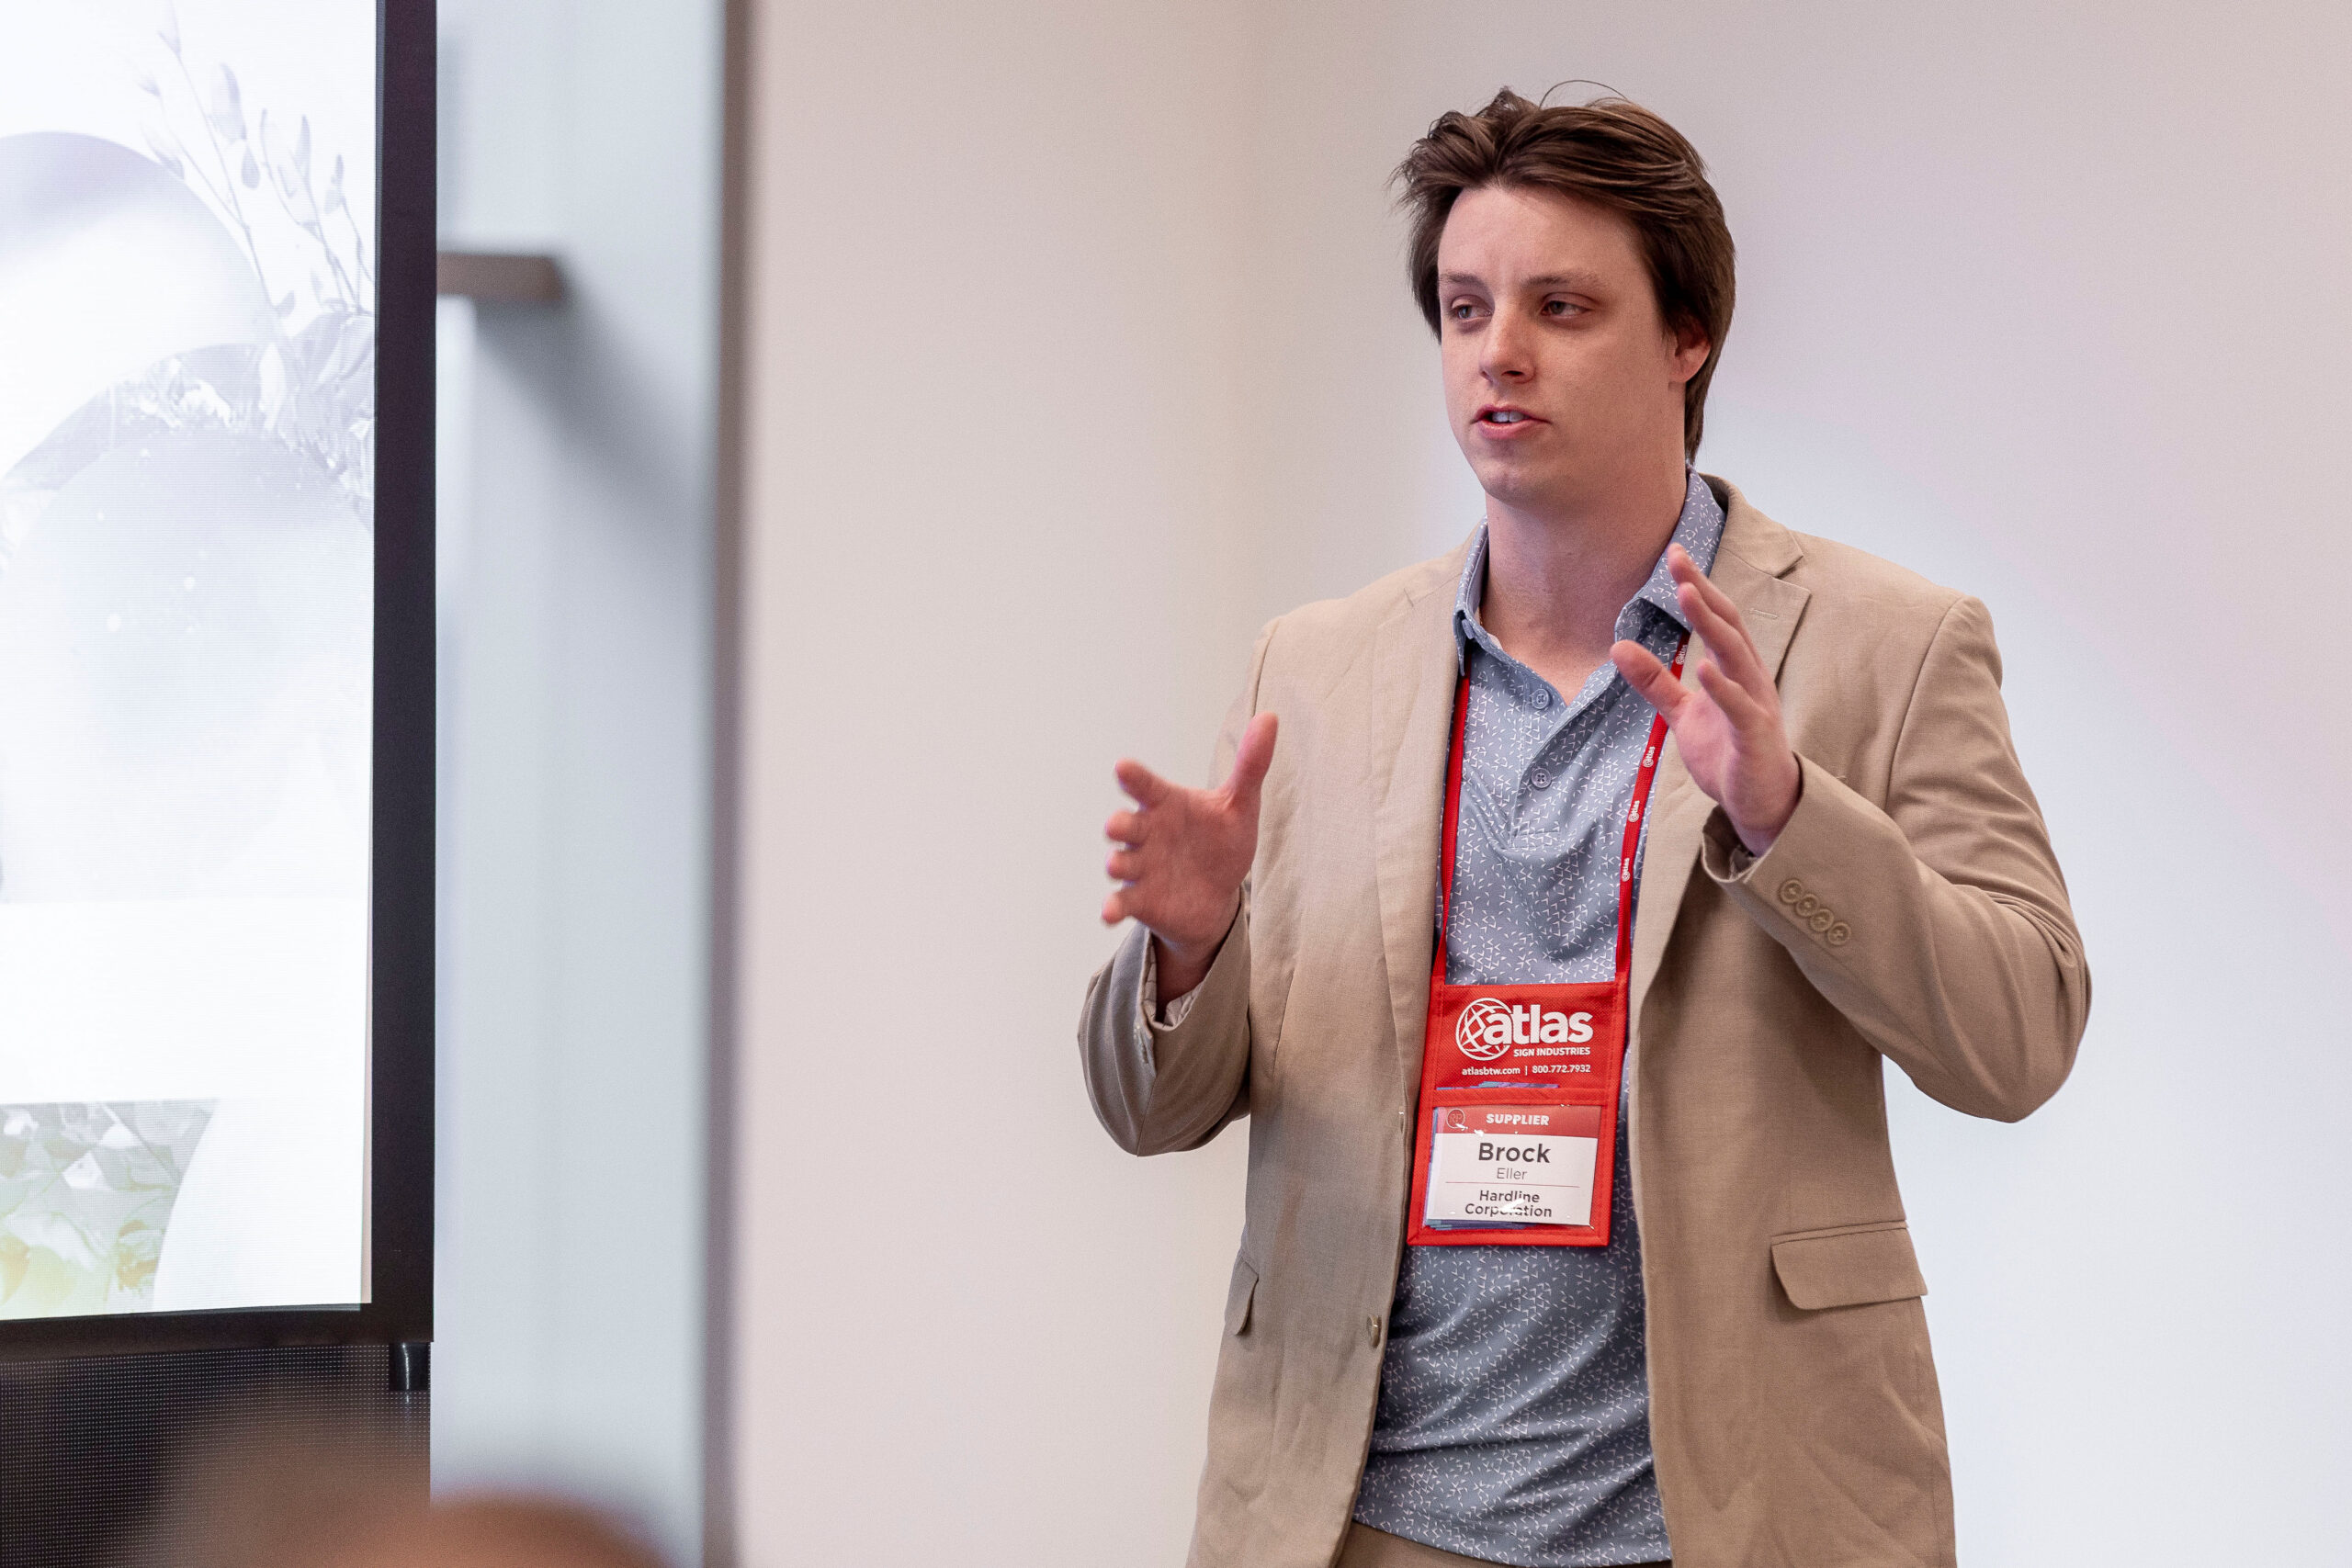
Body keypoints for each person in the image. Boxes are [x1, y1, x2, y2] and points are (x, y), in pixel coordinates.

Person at [1079, 89, 2089, 1568]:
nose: (1499, 350)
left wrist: (1788, 817)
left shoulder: (1887, 643)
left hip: (1736, 1520)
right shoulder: (1317, 668)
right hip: (1362, 1516)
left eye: (1561, 307)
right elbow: (1147, 1110)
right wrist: (1189, 947)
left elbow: (2021, 1036)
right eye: (1465, 307)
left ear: (1688, 339)